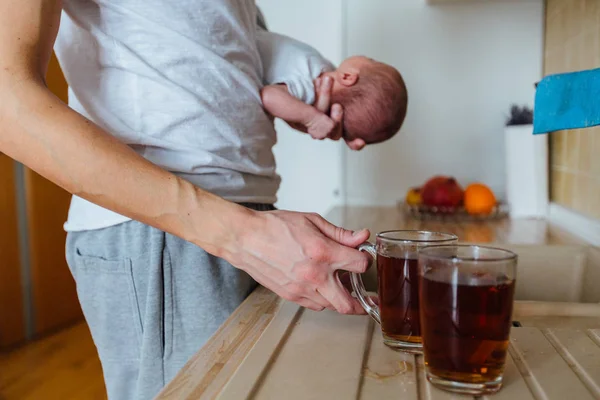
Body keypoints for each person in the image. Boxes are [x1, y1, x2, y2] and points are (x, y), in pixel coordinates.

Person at [0, 1, 372, 399]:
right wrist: (244, 235)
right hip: (162, 233)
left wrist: (303, 93)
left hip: (244, 213)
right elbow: (8, 102)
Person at [258, 30, 408, 148]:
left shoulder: (310, 88)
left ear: (348, 77)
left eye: (371, 61)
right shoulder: (326, 73)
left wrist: (311, 119)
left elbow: (268, 96)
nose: (368, 57)